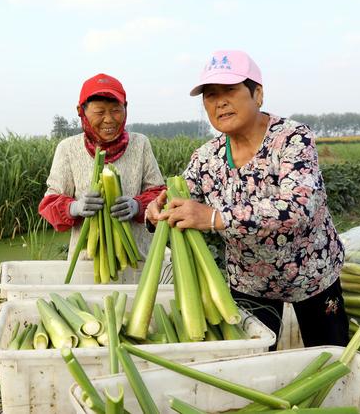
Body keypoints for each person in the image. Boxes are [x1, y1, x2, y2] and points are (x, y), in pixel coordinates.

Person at [146, 50, 349, 348]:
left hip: (312, 277)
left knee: (330, 358)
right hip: (250, 284)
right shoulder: (206, 158)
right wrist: (158, 214)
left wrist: (214, 217)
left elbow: (296, 208)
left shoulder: (292, 139)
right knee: (256, 363)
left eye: (230, 90)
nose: (220, 102)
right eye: (211, 95)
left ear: (258, 94)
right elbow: (182, 202)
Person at [39, 73, 166, 259]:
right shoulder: (68, 148)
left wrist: (138, 206)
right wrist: (74, 207)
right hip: (87, 261)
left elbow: (159, 194)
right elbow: (50, 203)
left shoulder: (140, 144)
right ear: (81, 111)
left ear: (126, 108)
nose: (109, 120)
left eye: (116, 110)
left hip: (139, 258)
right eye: (99, 112)